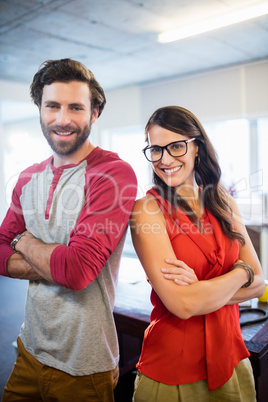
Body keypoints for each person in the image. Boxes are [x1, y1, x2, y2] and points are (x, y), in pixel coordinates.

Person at [0, 58, 137, 402]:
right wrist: (55, 263)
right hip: (29, 349)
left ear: (95, 112)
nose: (62, 119)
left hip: (84, 366)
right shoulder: (28, 177)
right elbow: (0, 251)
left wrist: (23, 240)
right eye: (53, 106)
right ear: (40, 110)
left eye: (76, 107)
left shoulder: (113, 174)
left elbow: (77, 271)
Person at [130, 106, 265, 402]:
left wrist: (201, 291)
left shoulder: (223, 201)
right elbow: (183, 305)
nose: (165, 159)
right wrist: (241, 272)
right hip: (173, 369)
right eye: (155, 149)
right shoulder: (147, 210)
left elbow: (259, 284)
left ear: (197, 148)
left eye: (176, 146)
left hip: (232, 357)